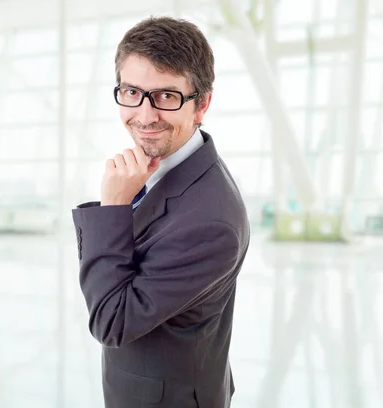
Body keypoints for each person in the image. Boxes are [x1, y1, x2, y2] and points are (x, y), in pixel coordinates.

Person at [72, 16, 250, 408]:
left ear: (201, 104)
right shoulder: (167, 167)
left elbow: (112, 321)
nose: (145, 115)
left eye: (167, 97)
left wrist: (113, 206)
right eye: (132, 92)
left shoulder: (211, 223)